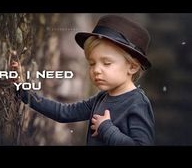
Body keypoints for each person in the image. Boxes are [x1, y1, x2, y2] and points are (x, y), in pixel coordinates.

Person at [12, 15, 155, 145]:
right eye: (92, 63)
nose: (96, 70)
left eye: (106, 63)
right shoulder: (101, 98)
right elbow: (64, 113)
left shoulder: (137, 103)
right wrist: (22, 90)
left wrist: (106, 129)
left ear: (132, 67)